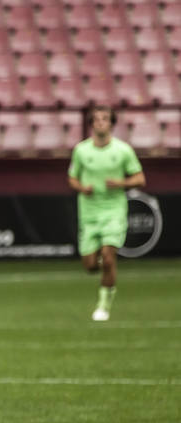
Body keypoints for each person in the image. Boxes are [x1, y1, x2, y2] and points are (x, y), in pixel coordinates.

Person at [68, 105, 145, 322]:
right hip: (89, 212)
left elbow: (140, 178)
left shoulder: (123, 150)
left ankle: (103, 306)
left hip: (114, 209)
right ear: (91, 124)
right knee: (90, 265)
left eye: (105, 118)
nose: (100, 122)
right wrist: (82, 188)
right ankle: (103, 267)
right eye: (96, 119)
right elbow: (72, 177)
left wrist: (120, 182)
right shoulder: (81, 150)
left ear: (112, 123)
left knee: (109, 257)